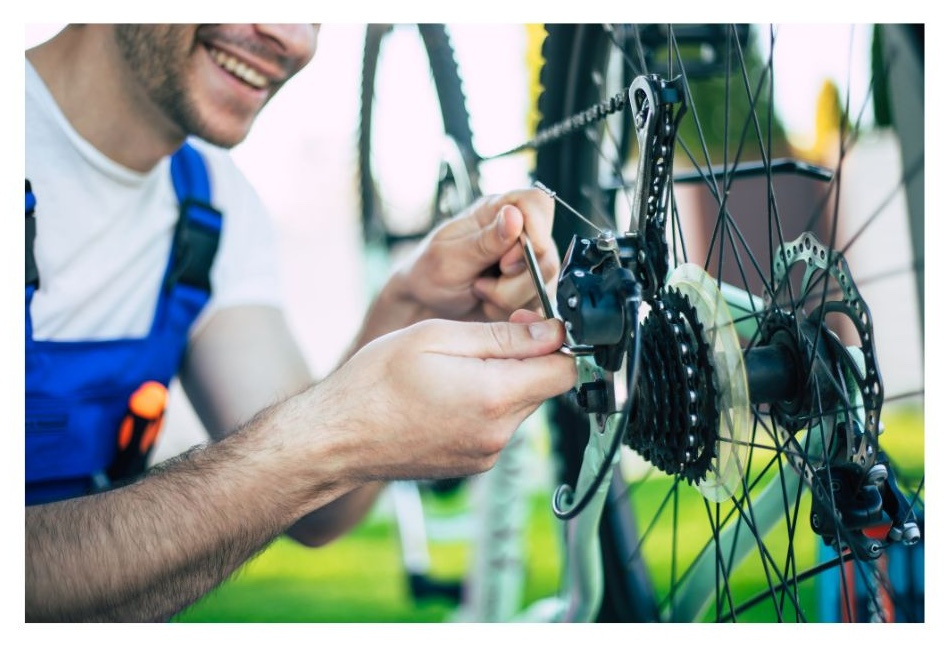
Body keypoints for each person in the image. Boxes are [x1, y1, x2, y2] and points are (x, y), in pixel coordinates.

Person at [24, 24, 575, 622]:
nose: (294, 39)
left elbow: (312, 509)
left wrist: (414, 301)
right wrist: (332, 434)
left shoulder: (211, 205)